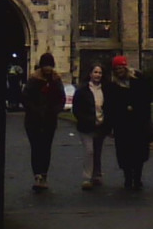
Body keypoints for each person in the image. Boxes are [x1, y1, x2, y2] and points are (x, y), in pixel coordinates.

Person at [104, 54, 153, 190]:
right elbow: (109, 105)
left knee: (139, 152)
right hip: (122, 124)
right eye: (116, 69)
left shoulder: (139, 80)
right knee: (124, 153)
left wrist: (136, 108)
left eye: (121, 68)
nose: (119, 71)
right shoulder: (112, 85)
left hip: (139, 122)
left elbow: (147, 97)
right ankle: (128, 178)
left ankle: (137, 178)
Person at [22, 51, 66, 191]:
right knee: (36, 147)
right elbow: (26, 98)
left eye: (50, 66)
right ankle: (37, 176)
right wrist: (34, 111)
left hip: (49, 119)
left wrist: (55, 111)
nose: (48, 68)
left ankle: (44, 175)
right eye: (46, 65)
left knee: (46, 147)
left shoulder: (56, 80)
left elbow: (61, 98)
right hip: (33, 120)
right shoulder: (34, 80)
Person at [71, 63, 109, 190]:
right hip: (86, 126)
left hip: (100, 125)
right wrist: (84, 119)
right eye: (95, 72)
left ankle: (96, 175)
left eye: (100, 73)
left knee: (97, 151)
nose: (97, 75)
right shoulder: (82, 90)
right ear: (90, 74)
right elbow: (76, 108)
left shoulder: (105, 90)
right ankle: (87, 177)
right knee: (89, 151)